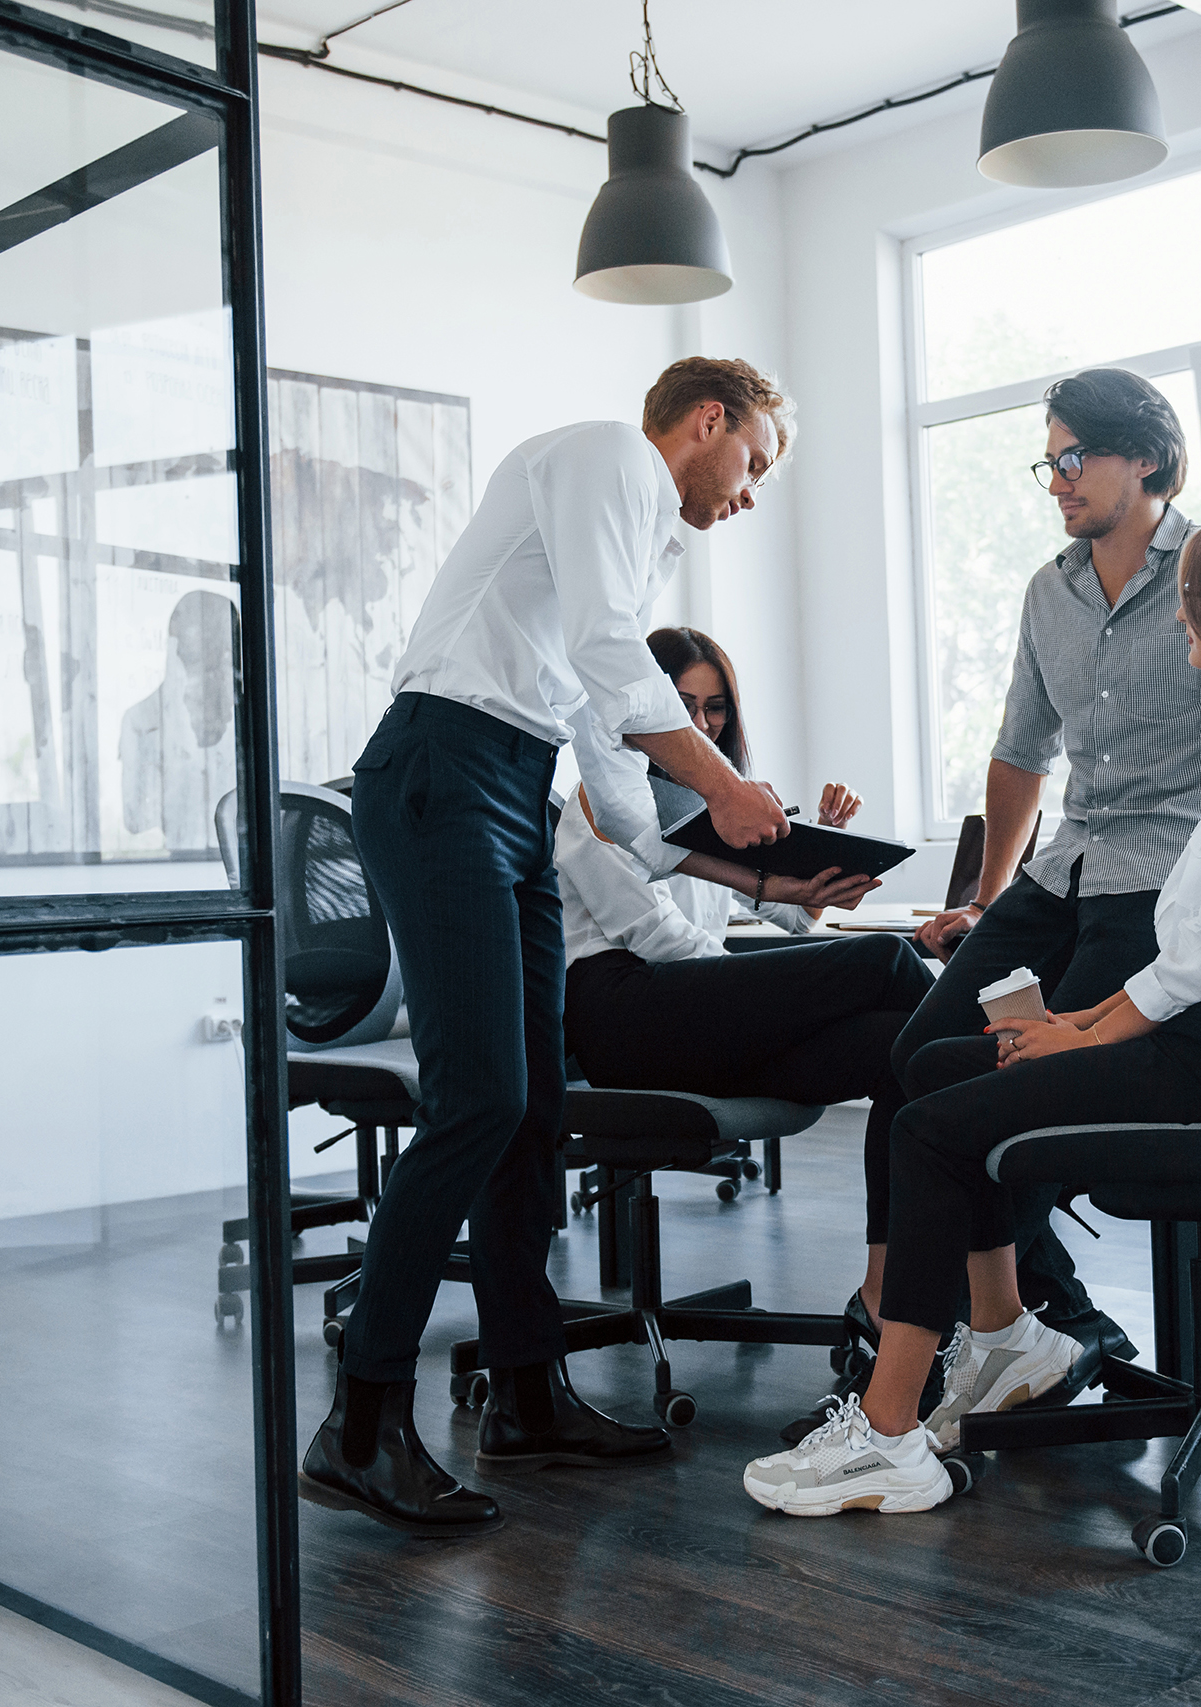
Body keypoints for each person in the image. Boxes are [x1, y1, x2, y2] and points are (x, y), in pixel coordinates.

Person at [741, 505, 1201, 1518]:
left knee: (935, 1127)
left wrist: (1083, 1029)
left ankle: (888, 1433)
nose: (1180, 608)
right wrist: (1072, 1026)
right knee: (937, 1065)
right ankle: (1009, 1335)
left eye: (1194, 590)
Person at [301, 359, 797, 1539]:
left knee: (532, 1105)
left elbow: (611, 769)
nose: (749, 493)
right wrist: (725, 783)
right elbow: (609, 655)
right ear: (708, 421)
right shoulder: (608, 457)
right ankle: (361, 1422)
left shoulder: (631, 534)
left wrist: (752, 869)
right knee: (477, 1101)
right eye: (756, 463)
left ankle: (527, 1393)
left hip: (512, 786)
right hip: (441, 768)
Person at [557, 627, 937, 1244]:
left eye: (714, 709)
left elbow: (786, 917)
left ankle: (891, 1293)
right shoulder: (596, 804)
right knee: (883, 962)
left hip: (698, 1018)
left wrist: (817, 876)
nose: (701, 726)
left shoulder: (712, 808)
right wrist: (763, 997)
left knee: (902, 1049)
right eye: (681, 708)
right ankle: (1015, 1071)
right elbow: (656, 939)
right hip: (626, 1017)